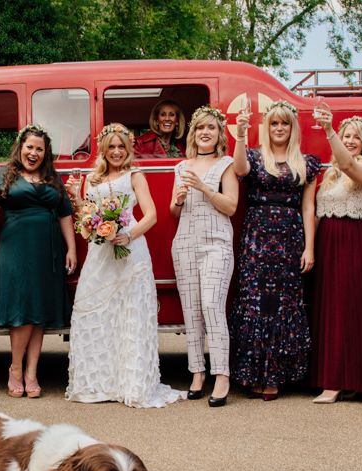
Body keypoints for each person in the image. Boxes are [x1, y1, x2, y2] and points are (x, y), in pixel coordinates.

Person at [65, 123, 184, 408]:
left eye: (121, 146)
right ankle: (99, 382)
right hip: (100, 253)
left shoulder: (135, 175)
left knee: (129, 312)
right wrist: (76, 198)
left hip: (131, 250)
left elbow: (151, 215)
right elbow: (85, 216)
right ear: (103, 150)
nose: (117, 152)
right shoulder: (91, 178)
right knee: (95, 311)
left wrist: (127, 234)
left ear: (127, 149)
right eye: (112, 147)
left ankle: (131, 384)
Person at [230, 100, 320, 400]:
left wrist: (309, 247)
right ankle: (254, 373)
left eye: (285, 124)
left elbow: (309, 207)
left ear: (293, 129)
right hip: (256, 238)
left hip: (289, 239)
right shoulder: (255, 157)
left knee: (282, 306)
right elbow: (240, 169)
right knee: (257, 304)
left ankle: (275, 376)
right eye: (274, 124)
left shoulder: (306, 162)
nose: (279, 128)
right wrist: (241, 135)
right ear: (267, 128)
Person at [0, 124, 77, 398]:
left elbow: (64, 214)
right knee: (21, 312)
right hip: (15, 249)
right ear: (20, 148)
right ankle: (15, 368)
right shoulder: (5, 176)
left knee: (38, 314)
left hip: (47, 250)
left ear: (45, 153)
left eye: (39, 148)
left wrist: (71, 248)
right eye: (29, 147)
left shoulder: (52, 179)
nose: (33, 153)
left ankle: (32, 372)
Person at [311, 113, 362, 403]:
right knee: (330, 307)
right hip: (329, 240)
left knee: (348, 307)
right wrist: (311, 248)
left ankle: (337, 382)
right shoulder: (329, 174)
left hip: (355, 241)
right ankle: (341, 377)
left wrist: (329, 128)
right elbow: (318, 212)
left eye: (356, 136)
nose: (350, 141)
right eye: (347, 136)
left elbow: (348, 163)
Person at [170, 106, 238, 407]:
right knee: (192, 310)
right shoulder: (181, 167)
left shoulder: (226, 165)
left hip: (216, 242)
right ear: (193, 134)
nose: (205, 132)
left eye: (211, 128)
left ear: (219, 134)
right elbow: (174, 212)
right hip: (184, 242)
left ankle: (221, 375)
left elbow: (231, 206)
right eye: (200, 128)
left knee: (212, 305)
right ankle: (197, 373)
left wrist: (204, 189)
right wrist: (179, 199)